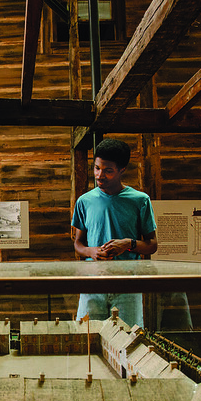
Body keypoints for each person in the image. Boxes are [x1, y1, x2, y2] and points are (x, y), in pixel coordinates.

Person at [71, 137, 158, 327]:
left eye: (108, 171)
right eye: (97, 168)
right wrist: (91, 252)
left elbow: (152, 245)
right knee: (87, 337)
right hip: (92, 283)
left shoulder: (140, 200)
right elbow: (78, 244)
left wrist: (128, 244)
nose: (100, 175)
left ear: (122, 170)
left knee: (128, 342)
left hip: (127, 285)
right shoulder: (84, 201)